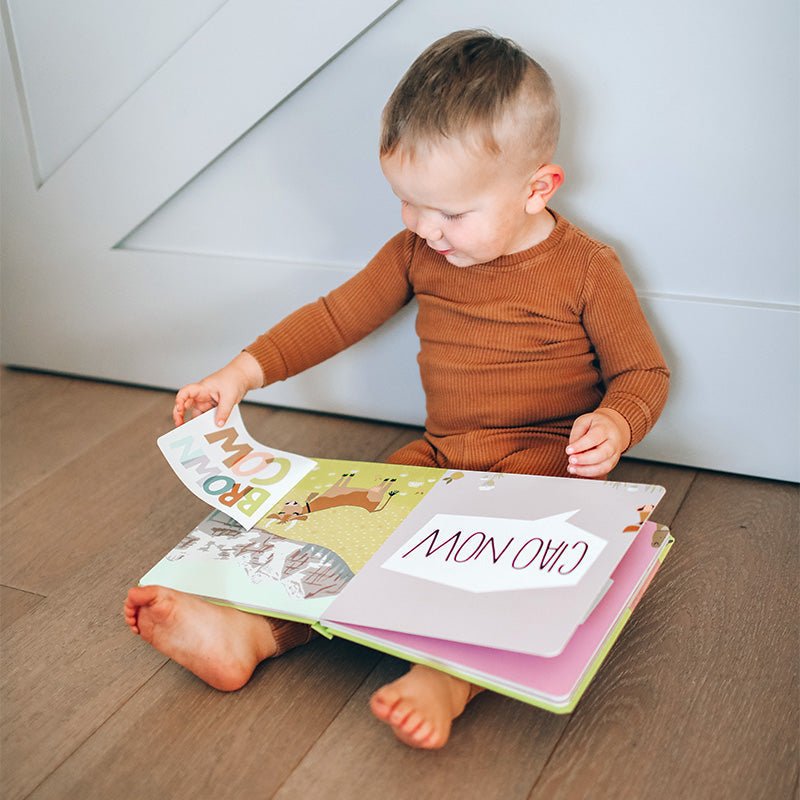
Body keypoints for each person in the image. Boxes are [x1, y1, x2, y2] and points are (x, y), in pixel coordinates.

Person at [124, 29, 669, 749]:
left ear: (538, 188)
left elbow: (643, 373)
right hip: (441, 454)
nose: (425, 228)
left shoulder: (587, 268)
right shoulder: (417, 251)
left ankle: (446, 677)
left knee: (506, 572)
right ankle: (253, 630)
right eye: (408, 202)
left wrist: (617, 422)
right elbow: (336, 316)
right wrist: (241, 373)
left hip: (545, 463)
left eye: (450, 213)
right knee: (344, 530)